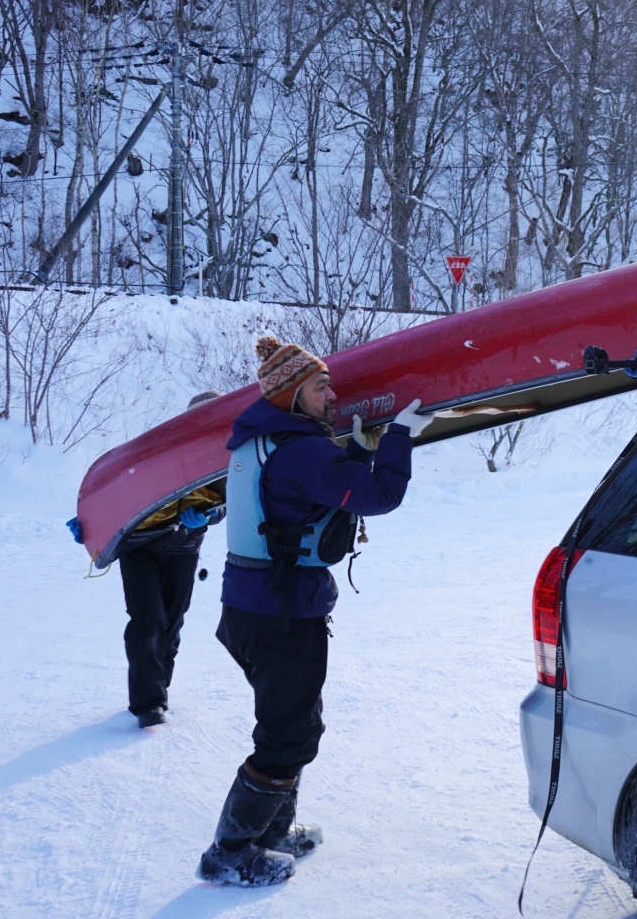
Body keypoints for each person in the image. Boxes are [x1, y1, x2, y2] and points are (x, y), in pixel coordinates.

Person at [197, 335, 431, 888]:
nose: (333, 395)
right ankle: (229, 852)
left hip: (257, 609)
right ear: (291, 396)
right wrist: (398, 437)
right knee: (286, 735)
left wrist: (358, 450)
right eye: (321, 387)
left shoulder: (267, 443)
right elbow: (377, 497)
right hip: (279, 615)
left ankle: (272, 834)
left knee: (298, 724)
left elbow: (312, 490)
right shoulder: (301, 450)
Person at [68, 391, 225, 730]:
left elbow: (229, 500)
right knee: (147, 620)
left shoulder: (225, 454)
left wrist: (210, 518)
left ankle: (158, 687)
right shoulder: (162, 455)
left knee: (171, 622)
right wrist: (91, 524)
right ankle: (148, 702)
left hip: (184, 549)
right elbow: (120, 492)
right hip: (140, 548)